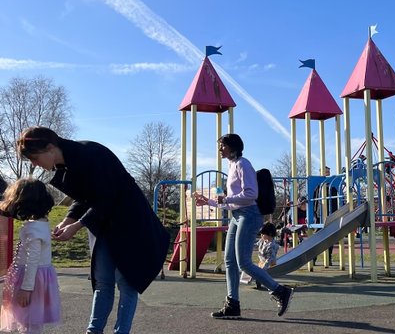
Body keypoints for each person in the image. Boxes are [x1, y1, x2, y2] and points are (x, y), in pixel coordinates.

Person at [16, 126, 170, 334]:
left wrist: (77, 225)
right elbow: (84, 198)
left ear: (50, 147)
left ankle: (121, 331)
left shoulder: (90, 154)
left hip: (130, 224)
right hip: (102, 223)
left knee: (127, 283)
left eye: (34, 158)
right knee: (103, 281)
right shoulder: (65, 165)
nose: (35, 164)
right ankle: (93, 331)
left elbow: (106, 198)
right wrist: (67, 220)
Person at [193, 133, 293, 319]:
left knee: (244, 262)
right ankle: (233, 304)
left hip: (250, 215)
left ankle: (280, 291)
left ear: (233, 147)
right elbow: (231, 203)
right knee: (230, 261)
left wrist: (226, 198)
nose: (219, 148)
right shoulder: (232, 166)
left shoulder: (243, 164)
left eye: (222, 145)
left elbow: (251, 194)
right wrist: (209, 202)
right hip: (237, 216)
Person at [0, 178, 61, 334]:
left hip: (31, 280)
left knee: (29, 320)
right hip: (35, 277)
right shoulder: (40, 224)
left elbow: (33, 260)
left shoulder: (34, 229)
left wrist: (26, 289)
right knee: (30, 320)